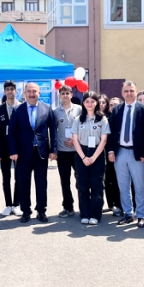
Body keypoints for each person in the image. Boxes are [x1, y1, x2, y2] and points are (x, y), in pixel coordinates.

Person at [8, 82, 58, 223]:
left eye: (34, 91)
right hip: (23, 154)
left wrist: (54, 150)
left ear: (39, 93)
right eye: (29, 91)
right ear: (25, 93)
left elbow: (53, 131)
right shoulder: (18, 110)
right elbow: (11, 132)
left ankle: (41, 211)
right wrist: (13, 151)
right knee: (23, 183)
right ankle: (26, 211)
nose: (31, 94)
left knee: (41, 183)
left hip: (41, 153)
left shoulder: (47, 109)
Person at [107, 81, 144, 227]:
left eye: (131, 91)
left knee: (139, 186)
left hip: (137, 154)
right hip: (120, 152)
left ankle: (140, 215)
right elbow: (112, 132)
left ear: (136, 91)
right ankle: (128, 213)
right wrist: (111, 150)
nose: (129, 93)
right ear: (122, 93)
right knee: (123, 185)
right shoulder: (117, 109)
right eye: (126, 91)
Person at [72, 91, 110, 225]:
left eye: (92, 101)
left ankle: (95, 214)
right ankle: (84, 214)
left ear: (97, 103)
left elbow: (104, 140)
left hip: (97, 154)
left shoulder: (102, 119)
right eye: (87, 101)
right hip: (81, 152)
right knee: (82, 185)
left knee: (97, 185)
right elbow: (75, 140)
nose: (90, 104)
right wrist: (83, 157)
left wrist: (93, 157)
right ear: (83, 103)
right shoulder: (78, 119)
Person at [53, 84, 82, 218]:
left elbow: (84, 127)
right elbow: (53, 131)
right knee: (65, 181)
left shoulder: (80, 110)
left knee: (81, 180)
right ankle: (68, 207)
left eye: (67, 93)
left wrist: (75, 140)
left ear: (71, 94)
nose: (65, 95)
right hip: (62, 151)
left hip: (77, 151)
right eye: (62, 93)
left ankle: (84, 206)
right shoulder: (55, 112)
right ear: (60, 96)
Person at [0, 80, 22, 216]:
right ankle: (8, 204)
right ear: (4, 92)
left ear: (16, 91)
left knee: (19, 177)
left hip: (18, 148)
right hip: (4, 148)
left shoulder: (22, 107)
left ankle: (16, 204)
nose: (10, 92)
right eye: (7, 89)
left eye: (12, 89)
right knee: (6, 177)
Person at [102, 96, 122, 216]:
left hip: (120, 152)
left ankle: (119, 204)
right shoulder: (105, 119)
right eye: (111, 105)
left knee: (118, 180)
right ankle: (111, 204)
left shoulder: (122, 118)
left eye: (115, 105)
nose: (113, 107)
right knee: (108, 180)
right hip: (107, 153)